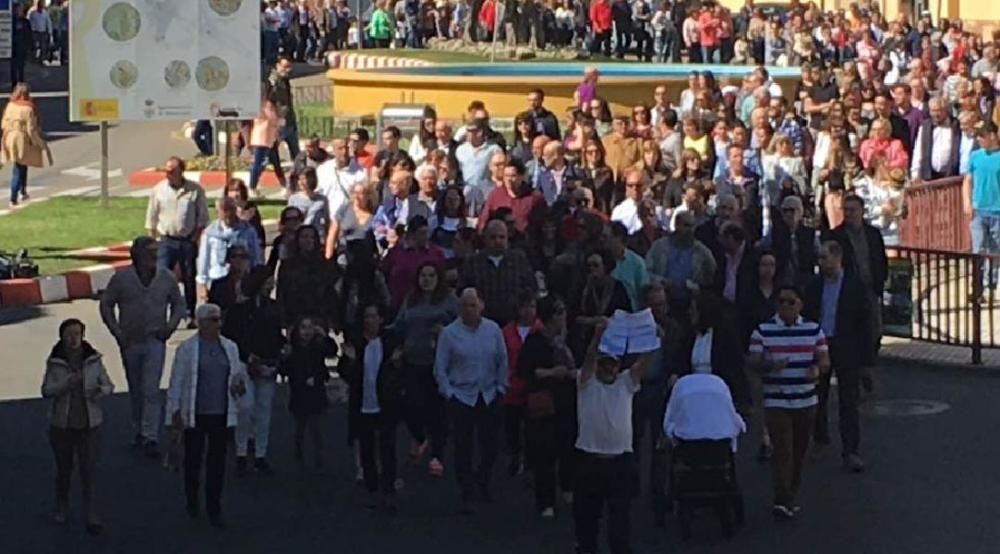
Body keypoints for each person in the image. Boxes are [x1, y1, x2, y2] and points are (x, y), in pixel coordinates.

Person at [574, 320, 656, 554]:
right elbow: (588, 361)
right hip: (589, 461)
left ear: (618, 365)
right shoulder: (586, 382)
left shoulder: (625, 383)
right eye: (604, 364)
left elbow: (645, 363)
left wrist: (652, 338)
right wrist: (597, 337)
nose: (608, 369)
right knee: (586, 522)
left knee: (620, 523)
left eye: (613, 364)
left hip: (619, 463)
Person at [748, 285, 830, 519]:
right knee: (782, 448)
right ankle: (781, 497)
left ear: (800, 304)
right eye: (781, 301)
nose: (785, 306)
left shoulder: (814, 330)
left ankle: (791, 492)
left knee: (800, 450)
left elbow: (824, 360)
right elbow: (753, 362)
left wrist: (816, 368)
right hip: (776, 400)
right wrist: (770, 365)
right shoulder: (762, 331)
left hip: (806, 399)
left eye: (791, 302)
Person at [99, 237, 185, 456]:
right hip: (129, 341)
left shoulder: (166, 278)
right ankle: (138, 428)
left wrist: (170, 327)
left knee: (151, 390)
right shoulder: (121, 279)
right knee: (136, 389)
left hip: (155, 340)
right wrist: (117, 332)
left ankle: (150, 437)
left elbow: (178, 304)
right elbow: (106, 304)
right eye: (149, 253)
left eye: (156, 253)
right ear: (136, 255)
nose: (154, 257)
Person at [166, 303, 248, 528]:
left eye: (218, 319)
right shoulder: (187, 349)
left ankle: (214, 506)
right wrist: (174, 413)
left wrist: (239, 386)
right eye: (212, 320)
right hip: (195, 414)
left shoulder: (230, 347)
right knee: (193, 459)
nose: (217, 324)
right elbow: (177, 382)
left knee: (217, 462)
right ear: (200, 323)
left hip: (221, 413)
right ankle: (192, 500)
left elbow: (237, 374)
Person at [434, 288, 508, 514]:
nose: (469, 309)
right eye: (464, 305)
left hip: (488, 394)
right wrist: (449, 394)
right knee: (463, 447)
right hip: (462, 397)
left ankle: (482, 481)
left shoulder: (493, 330)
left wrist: (500, 388)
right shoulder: (449, 334)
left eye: (473, 305)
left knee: (491, 446)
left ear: (481, 306)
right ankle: (467, 492)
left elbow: (502, 360)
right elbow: (440, 368)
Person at [805, 241, 873, 473]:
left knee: (848, 399)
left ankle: (851, 450)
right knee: (818, 395)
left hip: (846, 346)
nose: (821, 262)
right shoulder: (815, 285)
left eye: (824, 258)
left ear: (837, 257)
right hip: (820, 343)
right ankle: (820, 440)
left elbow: (865, 322)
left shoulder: (854, 285)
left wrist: (866, 359)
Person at [42, 318, 114, 535]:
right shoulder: (56, 362)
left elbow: (109, 384)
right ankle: (62, 505)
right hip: (62, 424)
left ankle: (91, 512)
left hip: (89, 423)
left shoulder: (93, 360)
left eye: (77, 334)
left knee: (88, 470)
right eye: (69, 334)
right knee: (64, 468)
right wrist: (66, 384)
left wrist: (100, 391)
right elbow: (46, 390)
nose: (73, 339)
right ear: (62, 337)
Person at [395, 262, 457, 476]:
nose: (427, 279)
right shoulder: (410, 300)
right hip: (413, 360)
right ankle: (420, 438)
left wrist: (446, 331)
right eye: (423, 275)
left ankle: (437, 456)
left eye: (431, 275)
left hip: (438, 363)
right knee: (410, 407)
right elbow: (398, 325)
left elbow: (462, 327)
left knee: (437, 412)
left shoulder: (449, 301)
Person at [340, 303, 404, 512]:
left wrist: (396, 365)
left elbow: (398, 372)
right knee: (367, 449)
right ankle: (373, 490)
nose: (370, 321)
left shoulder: (390, 343)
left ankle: (389, 490)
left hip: (386, 403)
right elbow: (348, 375)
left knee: (387, 448)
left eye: (374, 316)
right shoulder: (357, 345)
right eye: (367, 317)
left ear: (381, 319)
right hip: (363, 403)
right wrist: (348, 361)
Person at [518, 295, 577, 518]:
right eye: (560, 313)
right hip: (544, 401)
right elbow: (524, 371)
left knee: (568, 446)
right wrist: (552, 373)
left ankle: (568, 487)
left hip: (566, 400)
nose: (564, 317)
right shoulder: (535, 341)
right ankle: (545, 501)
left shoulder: (568, 339)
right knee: (544, 453)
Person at [224, 268, 285, 476]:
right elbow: (231, 336)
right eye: (269, 281)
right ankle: (241, 451)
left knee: (264, 410)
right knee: (245, 407)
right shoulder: (239, 310)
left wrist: (279, 353)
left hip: (267, 363)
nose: (271, 285)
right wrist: (247, 355)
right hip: (244, 362)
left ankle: (260, 453)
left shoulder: (274, 308)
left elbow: (277, 336)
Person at [146, 156, 211, 324]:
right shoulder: (158, 190)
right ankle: (160, 313)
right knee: (161, 278)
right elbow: (151, 218)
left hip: (187, 241)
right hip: (166, 241)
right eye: (166, 171)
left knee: (189, 278)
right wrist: (152, 243)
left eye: (172, 171)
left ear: (181, 171)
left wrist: (194, 239)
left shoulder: (195, 191)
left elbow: (202, 219)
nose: (168, 174)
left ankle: (190, 313)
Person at [827, 195, 887, 356]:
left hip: (870, 289)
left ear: (861, 211)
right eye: (845, 210)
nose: (848, 214)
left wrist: (879, 284)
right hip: (847, 290)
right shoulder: (836, 235)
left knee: (874, 329)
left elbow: (881, 260)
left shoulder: (873, 234)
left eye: (852, 210)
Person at [280, 315, 337, 471]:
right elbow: (285, 370)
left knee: (316, 427)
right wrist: (285, 358)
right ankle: (299, 454)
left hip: (315, 391)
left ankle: (318, 458)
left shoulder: (318, 346)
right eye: (303, 327)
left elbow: (332, 351)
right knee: (300, 427)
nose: (307, 331)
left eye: (310, 327)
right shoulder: (293, 349)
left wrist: (326, 336)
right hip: (299, 392)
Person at [457, 220, 537, 325]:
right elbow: (462, 290)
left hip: (513, 324)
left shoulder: (519, 260)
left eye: (502, 237)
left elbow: (531, 287)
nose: (497, 241)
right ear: (485, 238)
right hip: (481, 324)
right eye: (493, 237)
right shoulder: (472, 262)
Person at [645, 211, 717, 316]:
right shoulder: (659, 247)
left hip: (689, 304)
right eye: (686, 225)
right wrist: (661, 282)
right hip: (663, 303)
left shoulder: (702, 251)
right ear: (676, 225)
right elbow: (646, 272)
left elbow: (712, 276)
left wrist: (694, 286)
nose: (690, 230)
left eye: (693, 226)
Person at [196, 197, 263, 302]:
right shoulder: (210, 233)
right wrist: (202, 283)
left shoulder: (248, 230)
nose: (228, 214)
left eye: (230, 210)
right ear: (218, 212)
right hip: (217, 280)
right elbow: (204, 259)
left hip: (242, 281)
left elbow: (255, 256)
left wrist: (257, 278)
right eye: (224, 211)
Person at [2, 82, 52, 207]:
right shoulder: (28, 108)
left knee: (21, 164)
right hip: (21, 138)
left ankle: (23, 191)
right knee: (19, 167)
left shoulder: (10, 106)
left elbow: (3, 124)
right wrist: (41, 144)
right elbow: (31, 130)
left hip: (9, 137)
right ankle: (14, 197)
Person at [964, 122, 1000, 286]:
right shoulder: (975, 156)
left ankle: (991, 282)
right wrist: (967, 201)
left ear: (992, 136)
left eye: (982, 136)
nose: (979, 140)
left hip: (997, 210)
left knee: (995, 250)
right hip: (979, 210)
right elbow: (968, 180)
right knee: (977, 249)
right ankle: (977, 284)